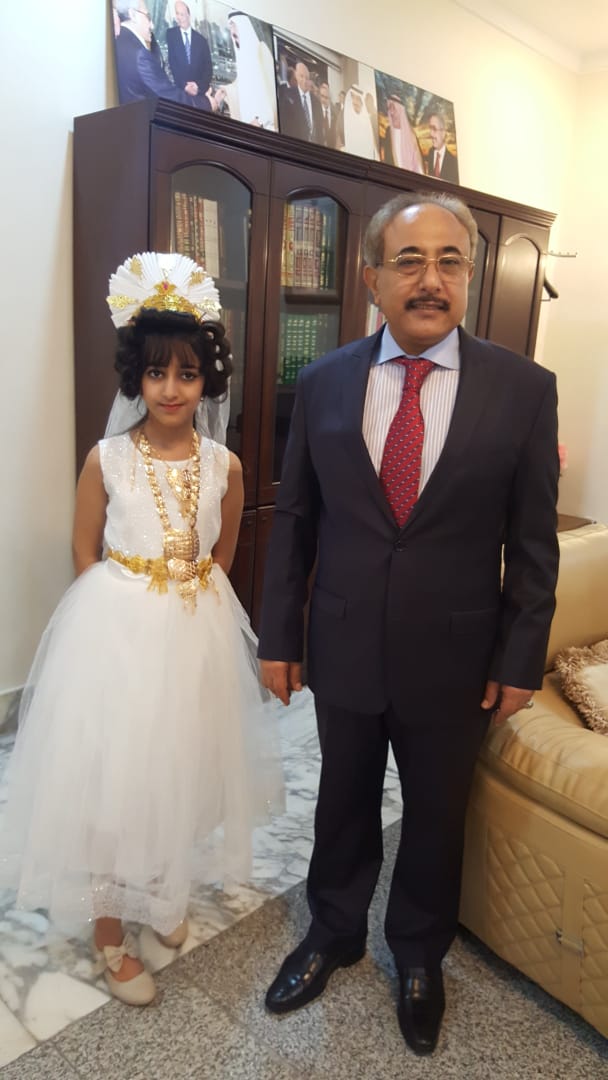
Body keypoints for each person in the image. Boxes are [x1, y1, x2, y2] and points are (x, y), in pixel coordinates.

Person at [258, 191, 559, 1055]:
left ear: (470, 275)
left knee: (436, 812)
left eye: (449, 261)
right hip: (345, 638)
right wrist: (280, 638)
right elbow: (295, 520)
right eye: (410, 261)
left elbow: (533, 545)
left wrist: (521, 658)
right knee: (342, 798)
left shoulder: (524, 390)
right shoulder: (322, 381)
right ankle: (333, 931)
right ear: (372, 279)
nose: (431, 279)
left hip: (457, 654)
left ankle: (420, 954)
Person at [0, 252, 283, 1007]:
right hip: (117, 636)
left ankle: (162, 891)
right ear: (136, 377)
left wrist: (192, 597)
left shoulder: (225, 466)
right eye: (157, 373)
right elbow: (83, 548)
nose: (171, 389)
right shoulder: (108, 459)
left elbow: (223, 554)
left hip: (195, 633)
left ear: (207, 381)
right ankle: (108, 931)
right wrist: (113, 613)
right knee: (113, 778)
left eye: (187, 374)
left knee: (178, 768)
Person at [114, 1, 200, 107]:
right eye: (148, 17)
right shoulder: (140, 54)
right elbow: (168, 98)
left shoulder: (117, 41)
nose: (152, 25)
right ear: (133, 15)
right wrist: (206, 104)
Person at [213, 11, 278, 130]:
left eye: (234, 25)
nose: (232, 30)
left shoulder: (261, 50)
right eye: (230, 26)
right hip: (248, 127)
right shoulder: (242, 56)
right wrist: (225, 91)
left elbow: (273, 95)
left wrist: (260, 120)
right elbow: (241, 84)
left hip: (265, 128)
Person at [166, 1, 213, 109]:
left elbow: (208, 70)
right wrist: (184, 86)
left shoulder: (201, 41)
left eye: (182, 14)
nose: (179, 18)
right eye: (177, 14)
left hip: (198, 97)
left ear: (189, 15)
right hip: (179, 94)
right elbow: (172, 63)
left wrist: (198, 86)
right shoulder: (171, 35)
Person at [278, 60, 323, 143]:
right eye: (301, 76)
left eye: (307, 78)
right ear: (296, 76)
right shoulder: (287, 95)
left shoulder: (316, 102)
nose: (304, 80)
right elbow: (284, 125)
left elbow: (320, 131)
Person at [380, 93, 424, 174]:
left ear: (400, 109)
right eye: (389, 108)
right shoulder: (388, 132)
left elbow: (418, 165)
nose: (391, 112)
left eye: (393, 107)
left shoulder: (411, 135)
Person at [341, 84, 379, 159]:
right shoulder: (345, 121)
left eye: (358, 98)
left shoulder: (367, 122)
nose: (355, 101)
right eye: (353, 97)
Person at [425, 111, 458, 182]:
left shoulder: (453, 163)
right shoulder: (430, 153)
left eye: (434, 129)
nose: (431, 134)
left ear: (443, 133)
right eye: (430, 129)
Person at [318, 82, 337, 148]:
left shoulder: (334, 115)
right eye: (322, 96)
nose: (323, 99)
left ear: (330, 99)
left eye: (326, 97)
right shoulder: (315, 112)